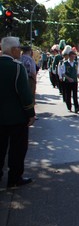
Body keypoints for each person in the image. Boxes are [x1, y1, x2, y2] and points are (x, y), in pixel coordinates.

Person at [0, 36, 35, 187]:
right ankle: (14, 178)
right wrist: (31, 113)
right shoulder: (16, 67)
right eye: (19, 48)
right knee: (17, 150)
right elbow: (24, 94)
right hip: (16, 118)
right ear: (14, 50)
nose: (20, 51)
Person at [62, 48, 79, 113]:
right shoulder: (65, 63)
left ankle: (76, 107)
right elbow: (63, 73)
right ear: (69, 56)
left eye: (74, 56)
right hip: (67, 82)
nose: (73, 58)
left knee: (75, 94)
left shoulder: (76, 63)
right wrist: (68, 78)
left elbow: (77, 72)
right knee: (68, 94)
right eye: (72, 56)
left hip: (75, 81)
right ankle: (69, 106)